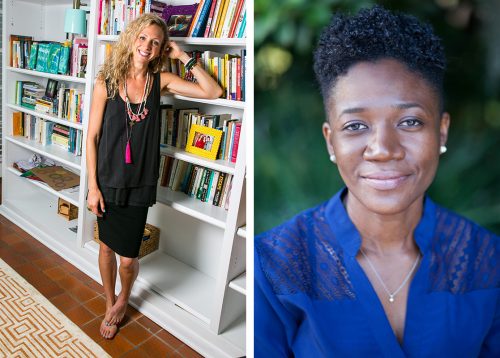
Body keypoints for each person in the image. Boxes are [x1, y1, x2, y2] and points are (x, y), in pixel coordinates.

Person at [254, 6, 499, 357]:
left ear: (441, 130)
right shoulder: (274, 265)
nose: (383, 150)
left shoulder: (488, 262)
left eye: (410, 122)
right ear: (330, 141)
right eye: (355, 126)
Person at [86, 13, 222, 340]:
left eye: (156, 42)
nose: (147, 46)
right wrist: (92, 187)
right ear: (133, 38)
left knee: (129, 260)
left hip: (140, 182)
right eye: (143, 38)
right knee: (105, 249)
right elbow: (91, 137)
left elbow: (212, 92)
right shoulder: (105, 82)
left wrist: (183, 57)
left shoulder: (159, 82)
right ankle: (110, 301)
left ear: (161, 50)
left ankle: (124, 298)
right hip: (106, 180)